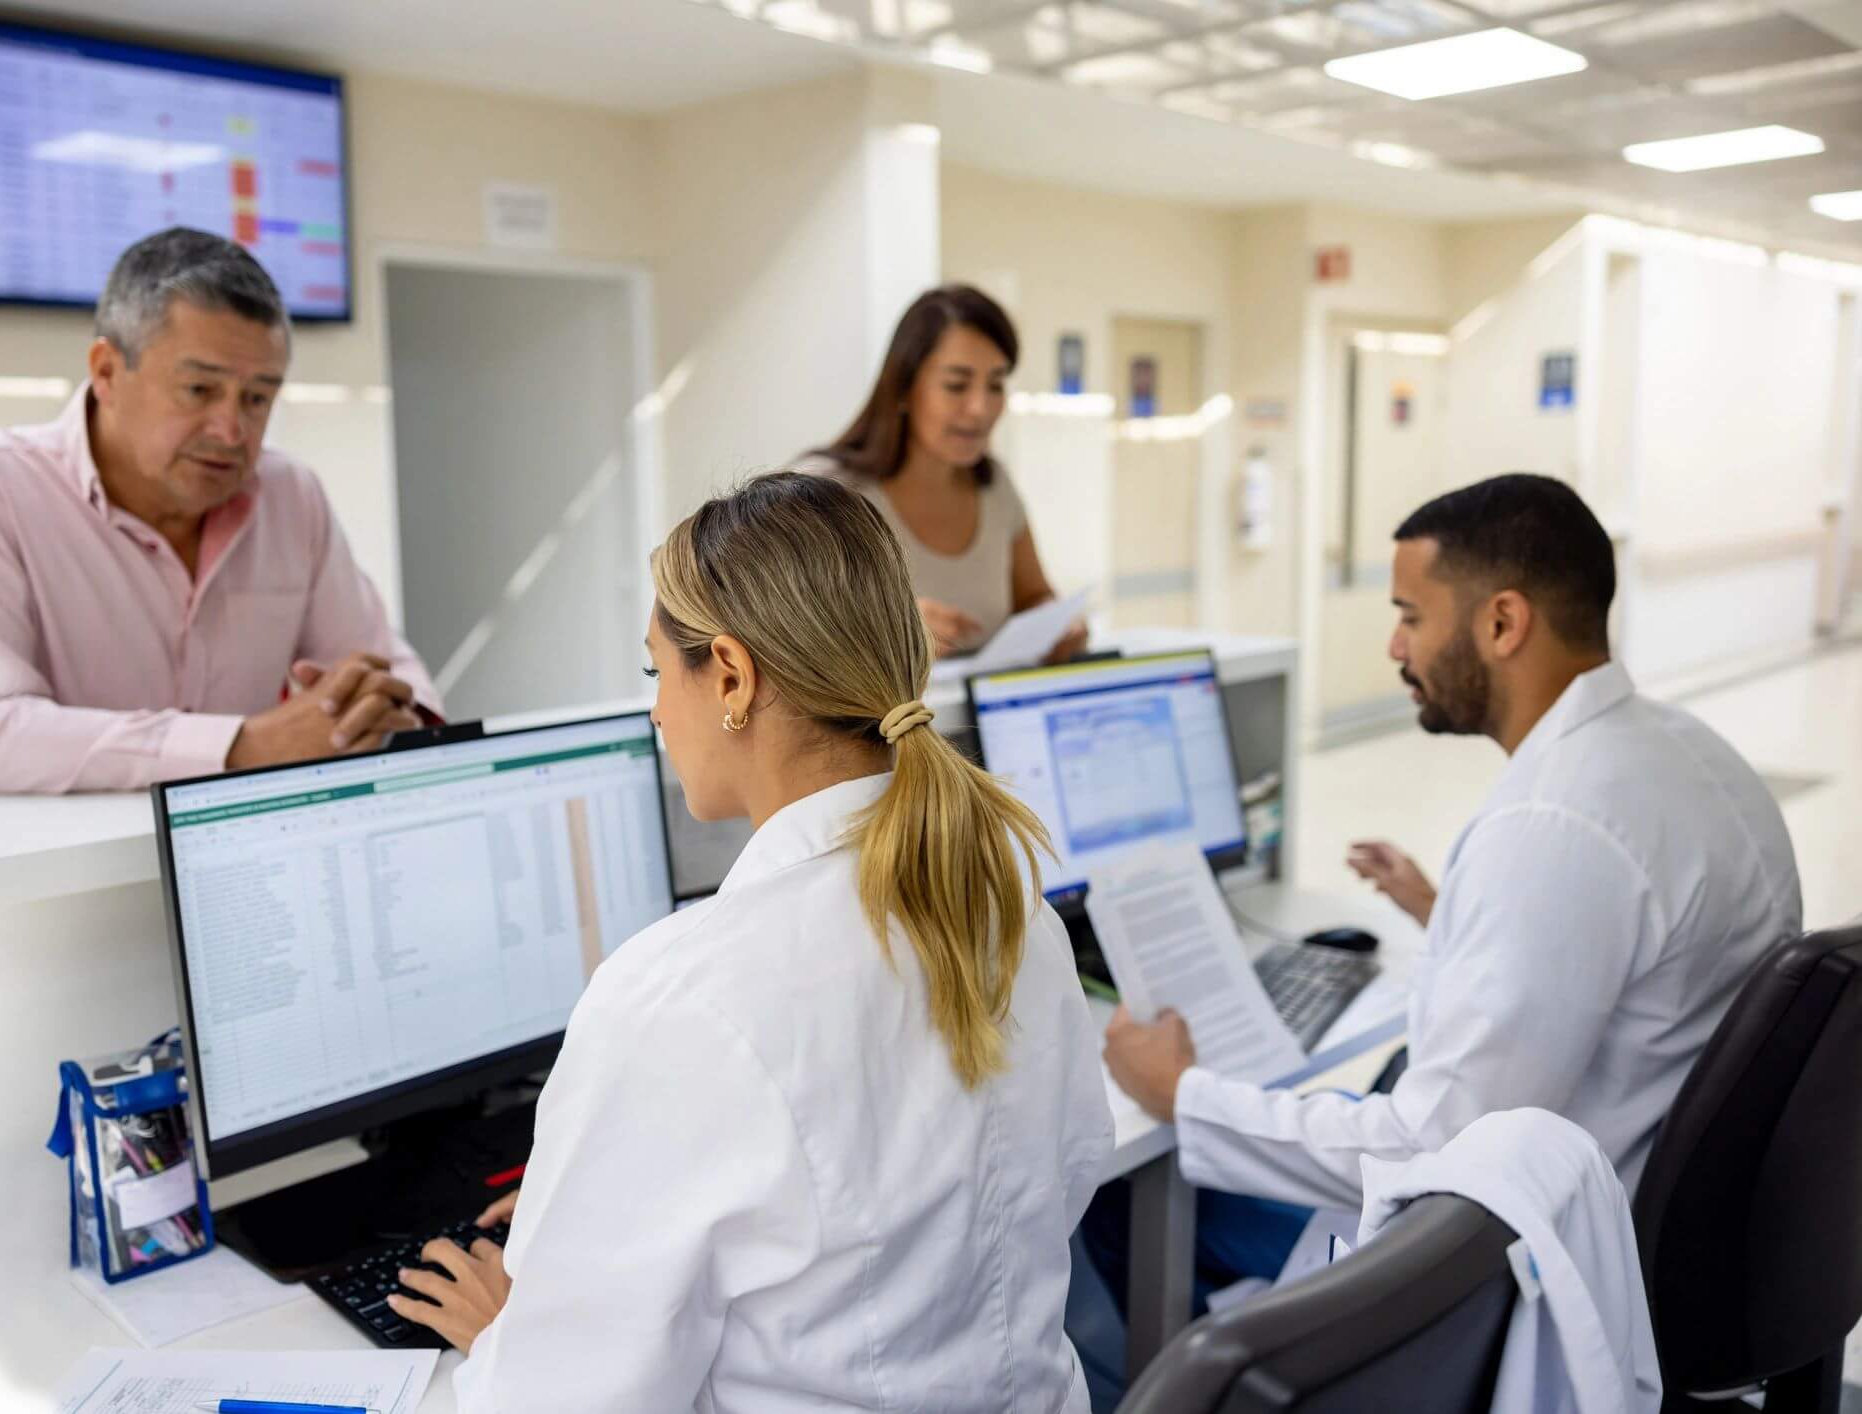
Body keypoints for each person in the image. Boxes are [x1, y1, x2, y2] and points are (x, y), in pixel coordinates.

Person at [383, 472, 1115, 1411]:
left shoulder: (682, 998)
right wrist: (615, 1205)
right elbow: (1049, 1174)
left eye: (658, 673)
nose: (654, 711)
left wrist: (513, 1338)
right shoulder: (1002, 895)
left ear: (729, 675)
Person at [1096, 473, 1800, 1319]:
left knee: (1123, 1194)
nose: (1396, 647)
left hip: (1530, 1262)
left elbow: (1435, 1149)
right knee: (1321, 1109)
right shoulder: (1684, 751)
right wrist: (1453, 916)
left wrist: (1182, 1094)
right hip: (1679, 1214)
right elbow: (1629, 951)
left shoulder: (1555, 824)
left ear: (1502, 622)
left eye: (1410, 616)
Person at [0, 227, 440, 794]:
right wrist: (243, 746)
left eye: (257, 399)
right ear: (107, 371)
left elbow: (387, 667)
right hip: (53, 874)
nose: (232, 431)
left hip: (236, 868)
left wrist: (389, 716)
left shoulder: (291, 496)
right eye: (199, 390)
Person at [799, 285, 1087, 662]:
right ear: (903, 388)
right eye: (956, 385)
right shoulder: (824, 494)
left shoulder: (995, 486)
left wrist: (1056, 623)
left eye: (996, 384)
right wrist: (889, 628)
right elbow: (775, 632)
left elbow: (1033, 596)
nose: (980, 408)